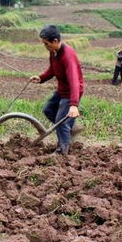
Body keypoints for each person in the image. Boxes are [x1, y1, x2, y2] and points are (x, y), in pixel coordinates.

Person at [30, 25, 84, 155]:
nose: (45, 47)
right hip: (62, 90)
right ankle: (71, 127)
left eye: (46, 44)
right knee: (48, 110)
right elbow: (53, 69)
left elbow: (74, 82)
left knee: (61, 122)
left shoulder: (67, 56)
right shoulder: (54, 52)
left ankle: (62, 151)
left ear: (55, 41)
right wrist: (41, 78)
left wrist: (73, 105)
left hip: (71, 92)